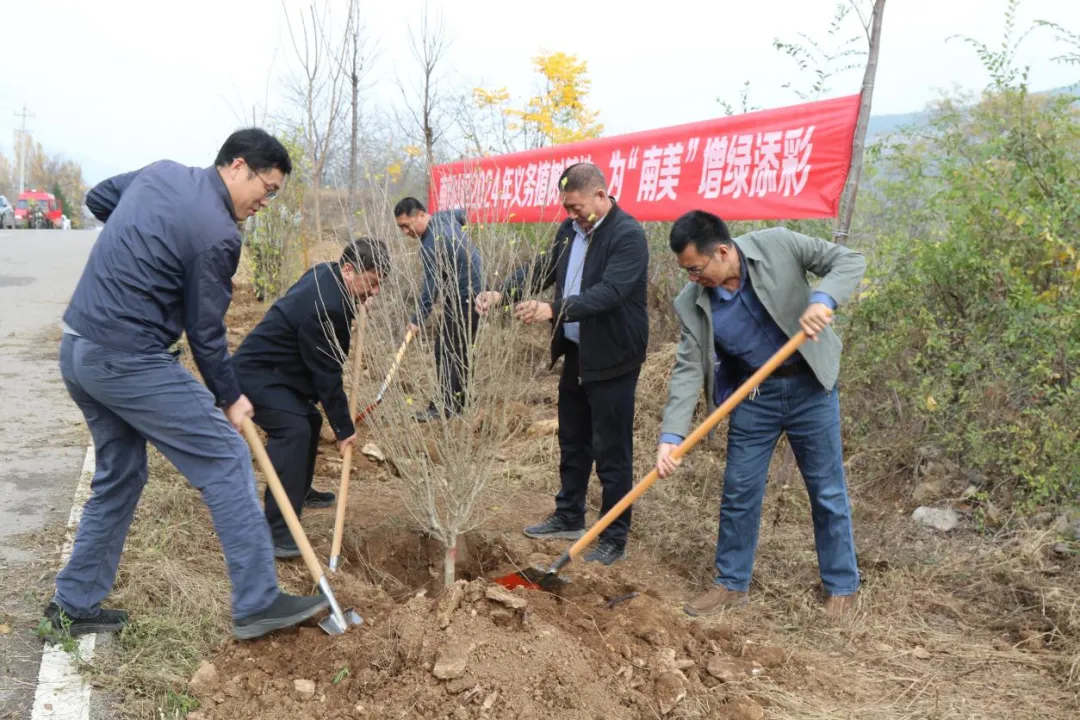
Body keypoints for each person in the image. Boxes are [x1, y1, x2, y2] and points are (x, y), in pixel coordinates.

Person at [47, 128, 330, 640]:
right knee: (225, 455)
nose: (266, 202)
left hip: (80, 349)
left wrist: (146, 245)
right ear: (238, 166)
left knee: (122, 475)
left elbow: (100, 198)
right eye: (267, 189)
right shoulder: (218, 233)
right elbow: (205, 333)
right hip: (127, 359)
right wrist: (231, 398)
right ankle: (258, 601)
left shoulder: (161, 174)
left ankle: (71, 604)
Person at [656, 210, 866, 618]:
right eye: (687, 271)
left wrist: (824, 300)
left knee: (826, 489)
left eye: (696, 269)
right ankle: (731, 584)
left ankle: (842, 587)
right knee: (739, 489)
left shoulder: (778, 244)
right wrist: (672, 437)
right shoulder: (692, 302)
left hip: (810, 387)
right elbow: (685, 369)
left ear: (722, 251)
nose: (692, 279)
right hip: (753, 395)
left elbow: (850, 260)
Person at [474, 162, 649, 566]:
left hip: (614, 358)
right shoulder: (570, 230)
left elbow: (609, 293)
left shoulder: (628, 235)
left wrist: (552, 309)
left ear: (601, 196)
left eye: (576, 207)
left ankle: (613, 534)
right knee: (573, 440)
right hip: (577, 354)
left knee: (612, 450)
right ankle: (569, 514)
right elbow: (543, 268)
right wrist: (504, 292)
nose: (571, 215)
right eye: (566, 208)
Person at [232, 238, 389, 558]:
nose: (374, 292)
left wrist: (357, 303)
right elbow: (328, 375)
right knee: (293, 429)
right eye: (371, 283)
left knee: (311, 419)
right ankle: (278, 530)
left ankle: (298, 492)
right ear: (349, 270)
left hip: (280, 372)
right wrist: (345, 429)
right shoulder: (328, 306)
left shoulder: (328, 275)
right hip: (256, 375)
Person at [393, 198, 483, 421]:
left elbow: (430, 290)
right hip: (478, 292)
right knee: (458, 349)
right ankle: (460, 402)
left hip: (466, 297)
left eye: (407, 225)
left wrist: (416, 321)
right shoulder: (444, 216)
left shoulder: (431, 245)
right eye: (401, 227)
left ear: (422, 214)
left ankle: (443, 408)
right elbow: (463, 213)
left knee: (446, 349)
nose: (405, 232)